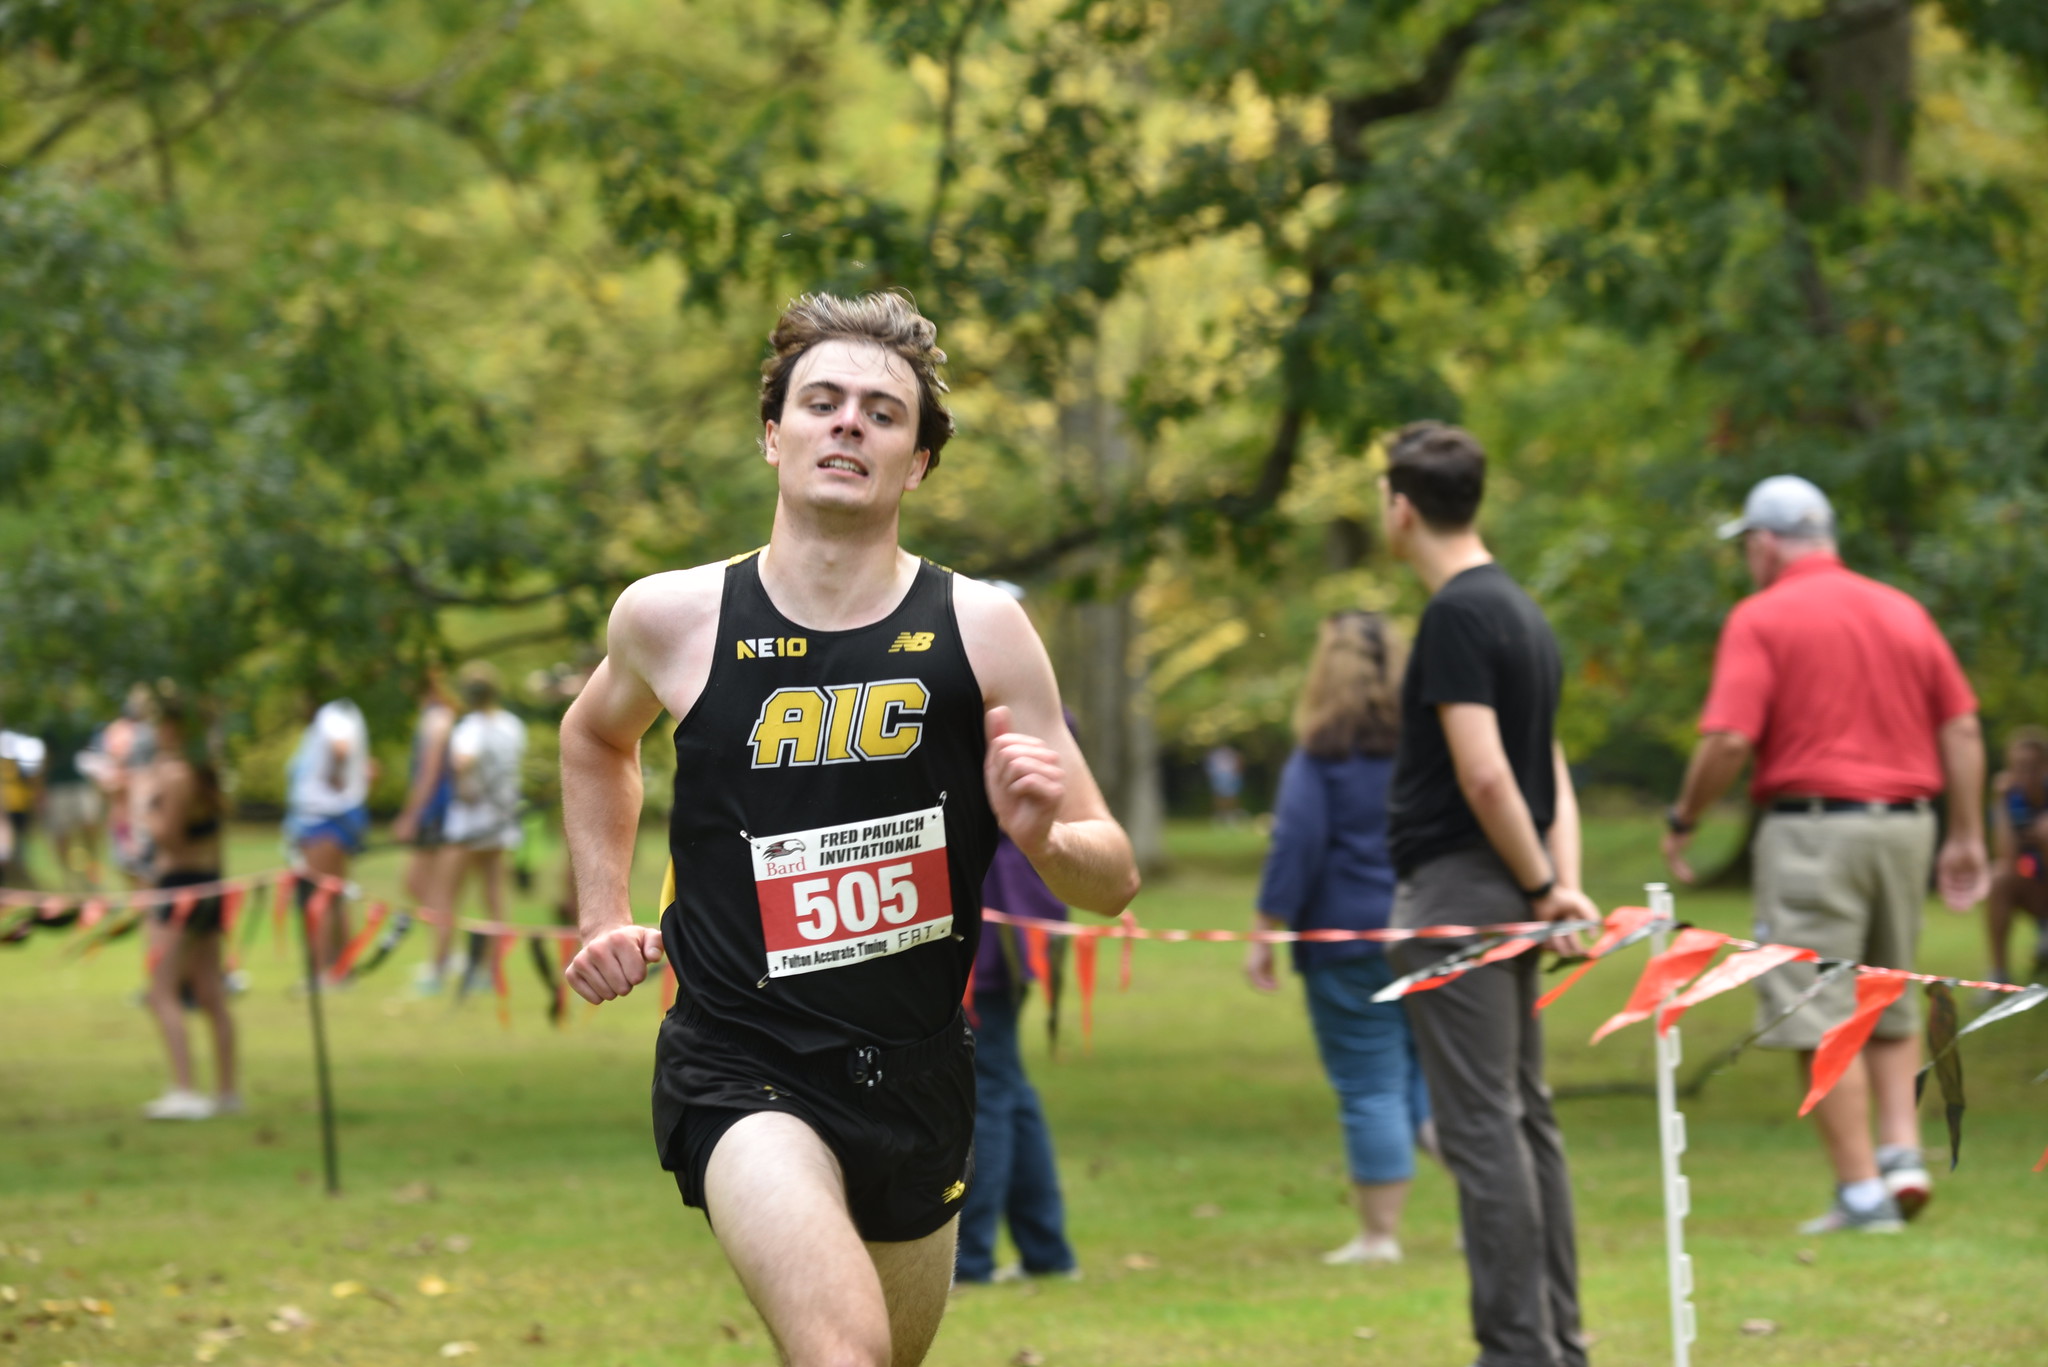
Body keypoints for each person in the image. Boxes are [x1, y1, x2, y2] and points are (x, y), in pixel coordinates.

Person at [559, 291, 1140, 1367]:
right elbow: (595, 739)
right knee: (843, 1353)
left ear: (916, 460)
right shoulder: (671, 618)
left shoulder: (982, 630)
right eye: (820, 402)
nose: (846, 424)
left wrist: (1044, 838)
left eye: (881, 412)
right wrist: (603, 910)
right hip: (741, 1060)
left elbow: (1113, 875)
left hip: (916, 1071)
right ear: (772, 434)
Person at [1662, 474, 1987, 1234]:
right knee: (1889, 990)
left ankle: (1862, 1193)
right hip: (1907, 828)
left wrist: (1685, 816)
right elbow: (1964, 727)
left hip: (1814, 833)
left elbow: (1731, 738)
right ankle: (1902, 1156)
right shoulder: (1902, 609)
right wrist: (1967, 832)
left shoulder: (1762, 615)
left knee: (1816, 1006)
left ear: (1766, 543)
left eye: (1747, 545)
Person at [1378, 421, 1597, 1367]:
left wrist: (1549, 886)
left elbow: (1490, 774)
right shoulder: (1521, 609)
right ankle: (1558, 1340)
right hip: (1515, 883)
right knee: (1524, 1118)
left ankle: (1519, 1350)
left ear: (1401, 507)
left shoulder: (1458, 616)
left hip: (1466, 891)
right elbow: (1551, 769)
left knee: (1482, 1129)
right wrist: (1560, 884)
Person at [1246, 609, 1436, 1267]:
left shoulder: (1321, 757)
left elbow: (1295, 844)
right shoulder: (1432, 749)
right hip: (1435, 931)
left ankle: (1379, 1236)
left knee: (1371, 1085)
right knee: (1428, 1083)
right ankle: (1491, 1207)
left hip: (1347, 943)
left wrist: (1265, 929)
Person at [955, 833, 1080, 1286]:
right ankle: (1046, 1252)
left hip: (987, 932)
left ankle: (970, 1260)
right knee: (1006, 1089)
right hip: (1007, 922)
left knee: (988, 1091)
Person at [139, 689, 238, 1120]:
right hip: (209, 884)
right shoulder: (208, 773)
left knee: (162, 990)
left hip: (179, 886)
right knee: (210, 991)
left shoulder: (177, 775)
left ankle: (184, 1089)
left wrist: (145, 803)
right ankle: (227, 1092)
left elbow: (169, 838)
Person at [434, 662, 528, 995]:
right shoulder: (512, 725)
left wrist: (462, 786)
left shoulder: (470, 727)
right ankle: (492, 970)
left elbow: (462, 760)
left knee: (444, 896)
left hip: (468, 824)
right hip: (500, 821)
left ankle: (439, 966)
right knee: (493, 898)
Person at [283, 693, 370, 974]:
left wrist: (336, 775)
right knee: (334, 896)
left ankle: (322, 970)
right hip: (334, 816)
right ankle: (340, 966)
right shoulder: (346, 714)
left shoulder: (332, 715)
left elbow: (340, 748)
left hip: (325, 818)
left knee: (319, 897)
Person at [392, 666, 458, 992]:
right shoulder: (435, 716)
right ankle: (445, 955)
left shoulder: (437, 719)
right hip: (435, 816)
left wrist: (411, 815)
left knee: (431, 889)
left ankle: (440, 965)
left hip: (437, 816)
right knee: (420, 885)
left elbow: (429, 774)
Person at [1985, 726, 2048, 986]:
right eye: (2017, 766)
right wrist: (2000, 801)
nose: (2025, 773)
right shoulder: (2012, 801)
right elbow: (2006, 857)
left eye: (2032, 766)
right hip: (2036, 888)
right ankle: (1999, 976)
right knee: (1999, 876)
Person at [40, 700, 108, 890]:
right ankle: (69, 879)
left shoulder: (82, 725)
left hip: (81, 786)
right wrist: (41, 791)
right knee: (62, 835)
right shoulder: (50, 727)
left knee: (90, 830)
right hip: (58, 787)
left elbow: (91, 755)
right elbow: (47, 757)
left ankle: (93, 874)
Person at [0, 721, 46, 886]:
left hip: (18, 807)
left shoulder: (15, 749)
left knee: (18, 849)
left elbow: (30, 777)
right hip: (8, 808)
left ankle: (18, 879)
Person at [1204, 744, 1244, 824]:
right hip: (1219, 775)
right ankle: (1221, 816)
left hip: (1230, 775)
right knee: (1220, 796)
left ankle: (1232, 816)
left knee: (1231, 796)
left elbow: (1239, 761)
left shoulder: (1231, 752)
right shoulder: (1215, 753)